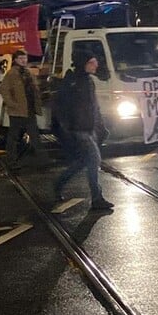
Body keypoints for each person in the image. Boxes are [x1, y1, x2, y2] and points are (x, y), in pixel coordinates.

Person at [54, 50, 113, 210]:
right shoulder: (72, 82)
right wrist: (67, 128)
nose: (96, 65)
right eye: (92, 63)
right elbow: (62, 107)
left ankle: (59, 183)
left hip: (90, 128)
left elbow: (94, 106)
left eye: (95, 62)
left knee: (82, 162)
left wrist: (101, 125)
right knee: (94, 160)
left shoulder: (88, 81)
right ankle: (97, 198)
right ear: (84, 64)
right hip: (79, 130)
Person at [0, 49, 43, 169]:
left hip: (29, 110)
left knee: (34, 135)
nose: (24, 61)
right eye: (21, 59)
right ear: (15, 60)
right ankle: (11, 159)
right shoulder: (12, 74)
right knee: (14, 136)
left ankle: (40, 159)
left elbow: (34, 90)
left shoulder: (28, 72)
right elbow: (4, 89)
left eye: (25, 58)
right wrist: (12, 104)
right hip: (17, 111)